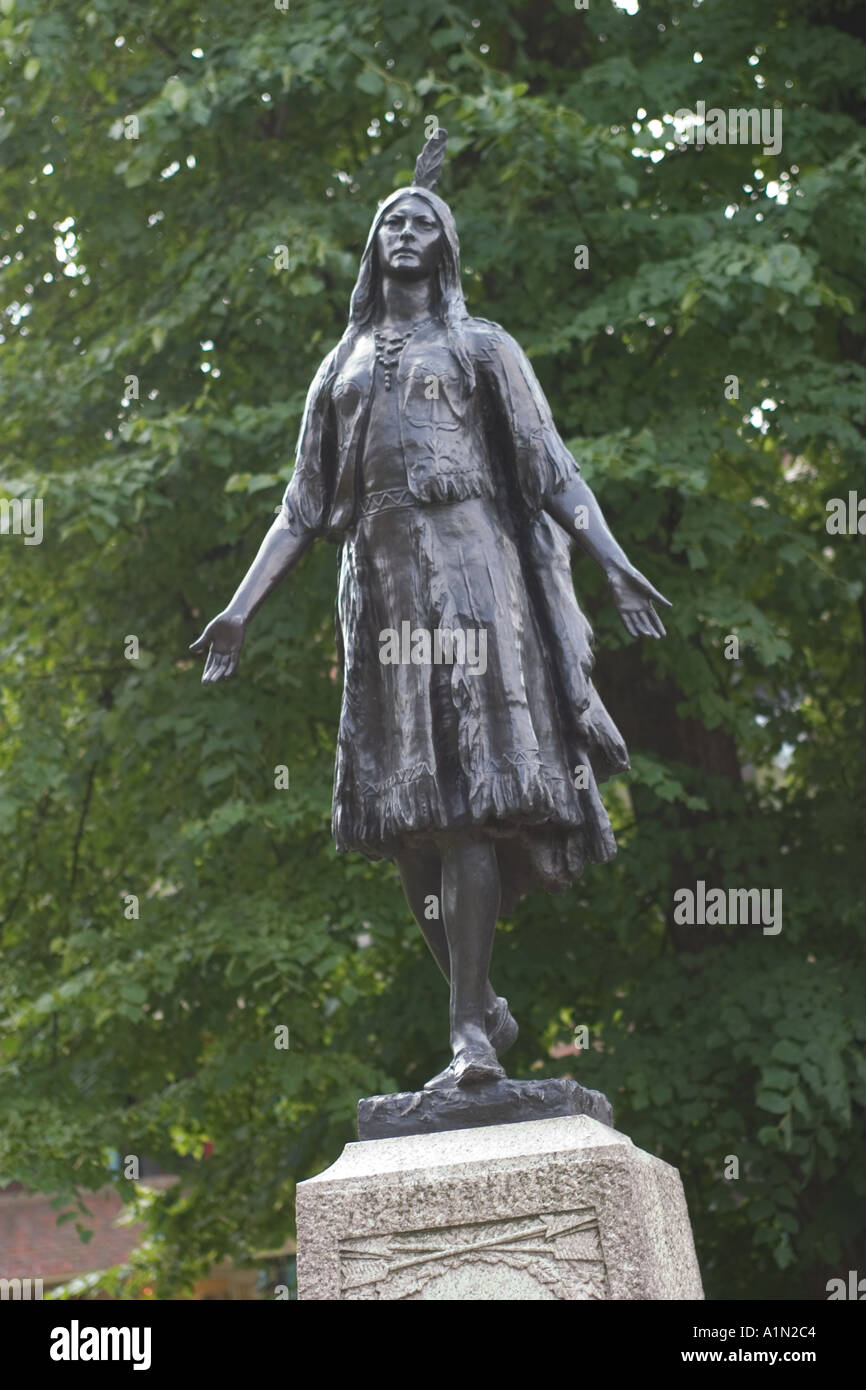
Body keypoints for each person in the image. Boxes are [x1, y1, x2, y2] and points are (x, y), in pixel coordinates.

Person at [191, 131, 670, 1091]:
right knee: (401, 822)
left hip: (474, 582)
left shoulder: (482, 345)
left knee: (466, 813)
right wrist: (240, 609)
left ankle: (468, 1036)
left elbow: (549, 467)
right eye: (391, 223)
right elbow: (300, 506)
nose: (405, 231)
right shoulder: (340, 366)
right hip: (380, 597)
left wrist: (612, 564)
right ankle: (476, 1001)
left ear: (443, 250)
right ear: (374, 250)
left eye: (421, 222)